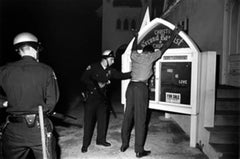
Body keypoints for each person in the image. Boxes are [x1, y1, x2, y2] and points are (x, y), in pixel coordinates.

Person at [120, 26, 181, 158]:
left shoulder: (135, 55)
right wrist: (174, 34)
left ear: (144, 51)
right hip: (141, 88)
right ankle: (139, 150)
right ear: (151, 52)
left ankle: (124, 144)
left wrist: (135, 36)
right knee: (140, 119)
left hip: (130, 87)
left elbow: (134, 48)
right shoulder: (151, 56)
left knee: (128, 116)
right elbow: (165, 46)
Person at [0, 32, 60, 159]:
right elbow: (52, 101)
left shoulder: (4, 70)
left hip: (12, 129)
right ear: (36, 48)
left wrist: (5, 103)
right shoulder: (46, 70)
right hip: (39, 129)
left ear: (19, 50)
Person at [81, 50, 131, 153]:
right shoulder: (93, 67)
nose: (113, 61)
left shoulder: (110, 71)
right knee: (88, 122)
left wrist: (134, 73)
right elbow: (83, 78)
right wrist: (96, 84)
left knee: (103, 120)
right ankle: (85, 144)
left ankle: (101, 140)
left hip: (102, 100)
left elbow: (121, 75)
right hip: (91, 99)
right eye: (111, 59)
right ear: (105, 59)